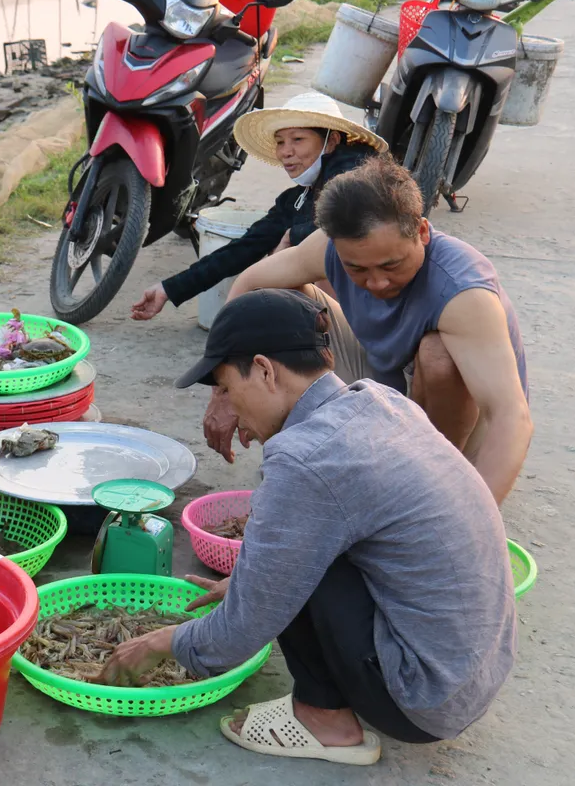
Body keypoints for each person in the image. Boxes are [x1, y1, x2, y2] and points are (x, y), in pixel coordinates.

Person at [98, 289, 517, 766]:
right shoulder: (379, 401)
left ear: (263, 369)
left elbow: (238, 635)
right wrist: (251, 581)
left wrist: (161, 641)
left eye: (226, 389)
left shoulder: (307, 459)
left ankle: (326, 721)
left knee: (293, 559)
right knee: (297, 552)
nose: (231, 411)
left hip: (423, 697)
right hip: (476, 669)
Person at [204, 156, 531, 505]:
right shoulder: (329, 247)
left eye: (392, 265)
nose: (376, 282)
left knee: (438, 355)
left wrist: (473, 521)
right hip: (384, 377)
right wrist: (226, 391)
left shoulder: (464, 294)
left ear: (421, 232)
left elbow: (511, 417)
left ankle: (426, 487)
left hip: (452, 420)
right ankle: (306, 459)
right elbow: (250, 283)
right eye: (356, 269)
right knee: (275, 302)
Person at [131, 93, 387, 322]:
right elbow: (244, 248)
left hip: (376, 305)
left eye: (298, 139)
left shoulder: (356, 173)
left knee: (315, 254)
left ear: (331, 142)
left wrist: (292, 237)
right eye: (280, 142)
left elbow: (349, 223)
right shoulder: (294, 200)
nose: (286, 152)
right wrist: (170, 289)